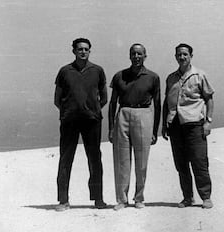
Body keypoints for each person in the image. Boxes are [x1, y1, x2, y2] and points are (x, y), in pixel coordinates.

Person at [54, 38, 108, 211]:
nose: (83, 52)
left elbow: (104, 97)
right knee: (65, 159)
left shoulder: (97, 70)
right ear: (74, 51)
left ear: (90, 51)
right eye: (79, 49)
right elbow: (57, 99)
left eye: (86, 49)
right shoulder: (64, 71)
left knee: (94, 159)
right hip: (69, 121)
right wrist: (68, 112)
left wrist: (92, 110)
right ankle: (63, 200)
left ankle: (98, 199)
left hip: (91, 121)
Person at [108, 43, 161, 211]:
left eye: (139, 53)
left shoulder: (153, 77)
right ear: (129, 55)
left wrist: (155, 131)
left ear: (145, 55)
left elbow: (158, 105)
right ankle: (122, 199)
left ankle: (139, 197)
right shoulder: (119, 76)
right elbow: (112, 103)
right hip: (122, 114)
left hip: (144, 115)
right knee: (121, 160)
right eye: (133, 53)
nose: (136, 56)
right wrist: (111, 128)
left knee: (142, 160)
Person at [162, 43, 215, 209]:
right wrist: (165, 124)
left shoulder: (199, 75)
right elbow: (167, 101)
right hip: (175, 125)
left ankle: (206, 197)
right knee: (181, 164)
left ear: (191, 56)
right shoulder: (170, 78)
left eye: (185, 54)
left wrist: (208, 121)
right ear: (175, 56)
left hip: (194, 124)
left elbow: (209, 98)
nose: (182, 57)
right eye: (179, 54)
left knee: (199, 162)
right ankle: (187, 197)